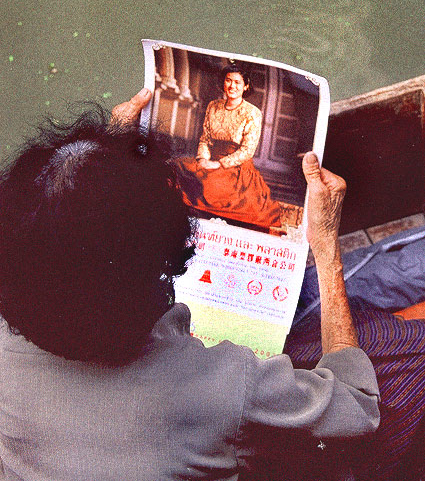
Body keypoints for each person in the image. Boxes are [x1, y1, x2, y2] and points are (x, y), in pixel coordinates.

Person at [0, 89, 379, 481]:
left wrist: (98, 170)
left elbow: (75, 251)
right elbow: (358, 407)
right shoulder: (220, 383)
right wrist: (326, 245)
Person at [176, 65, 282, 229]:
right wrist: (203, 159)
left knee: (209, 185)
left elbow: (247, 150)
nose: (232, 86)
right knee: (177, 167)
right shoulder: (213, 106)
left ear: (246, 86)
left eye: (237, 82)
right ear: (223, 83)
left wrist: (218, 164)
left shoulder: (252, 113)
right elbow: (205, 138)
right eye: (228, 81)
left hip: (235, 167)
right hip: (210, 159)